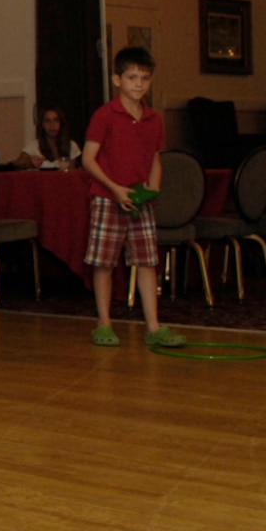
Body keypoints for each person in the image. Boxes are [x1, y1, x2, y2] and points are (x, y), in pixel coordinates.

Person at [82, 47, 187, 350]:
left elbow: (155, 158)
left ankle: (153, 326)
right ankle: (103, 322)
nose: (139, 84)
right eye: (132, 77)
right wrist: (115, 188)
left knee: (146, 261)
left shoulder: (154, 119)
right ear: (117, 79)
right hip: (107, 196)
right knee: (104, 262)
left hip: (140, 200)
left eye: (144, 78)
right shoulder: (105, 115)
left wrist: (152, 189)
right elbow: (89, 159)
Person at [18, 105, 80, 170]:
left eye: (56, 120)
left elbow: (71, 173)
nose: (52, 124)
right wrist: (30, 163)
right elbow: (17, 164)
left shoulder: (72, 146)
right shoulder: (34, 145)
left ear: (61, 123)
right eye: (47, 121)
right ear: (42, 124)